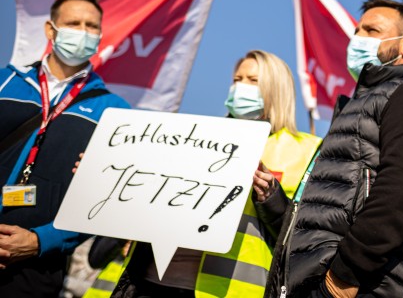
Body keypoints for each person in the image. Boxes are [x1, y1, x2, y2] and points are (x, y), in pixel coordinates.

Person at [264, 0, 403, 298]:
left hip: (357, 286)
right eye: (357, 31)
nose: (357, 39)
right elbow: (325, 212)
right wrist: (273, 201)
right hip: (306, 284)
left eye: (371, 31)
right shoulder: (354, 108)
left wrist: (342, 279)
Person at [101, 50, 321, 297]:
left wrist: (271, 198)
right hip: (147, 280)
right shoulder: (195, 137)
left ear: (276, 90)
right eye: (237, 79)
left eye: (252, 80)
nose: (241, 87)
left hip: (225, 288)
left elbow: (303, 235)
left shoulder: (305, 150)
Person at [0, 0, 130, 298]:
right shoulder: (5, 83)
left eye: (91, 26)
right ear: (50, 29)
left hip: (38, 268)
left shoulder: (116, 112)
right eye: (73, 23)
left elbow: (108, 200)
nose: (83, 32)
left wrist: (42, 241)